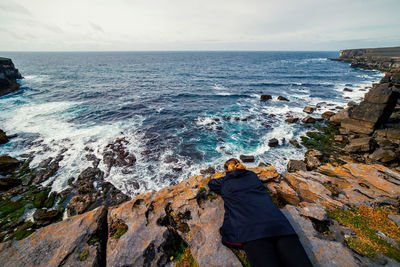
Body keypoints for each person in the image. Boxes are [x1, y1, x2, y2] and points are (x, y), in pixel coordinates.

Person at [208, 158, 313, 267]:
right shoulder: (252, 175)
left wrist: (225, 177)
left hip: (252, 230)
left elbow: (211, 183)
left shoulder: (224, 182)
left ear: (227, 170)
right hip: (279, 224)